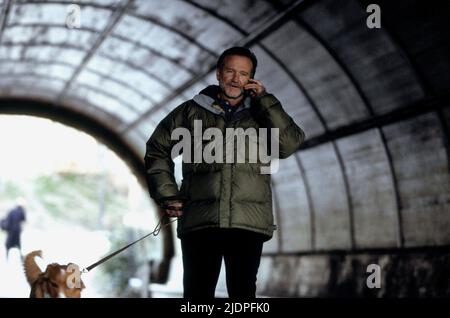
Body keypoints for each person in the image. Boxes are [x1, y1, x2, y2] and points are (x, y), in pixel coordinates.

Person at [145, 46, 305, 298]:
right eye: (229, 71)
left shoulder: (262, 113)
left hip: (247, 222)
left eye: (243, 73)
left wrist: (265, 101)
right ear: (218, 74)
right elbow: (157, 149)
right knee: (197, 297)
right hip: (200, 220)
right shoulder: (189, 112)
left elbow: (289, 144)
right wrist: (169, 195)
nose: (235, 79)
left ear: (251, 78)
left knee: (242, 296)